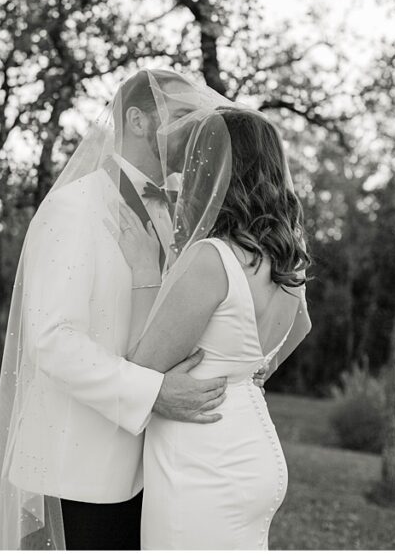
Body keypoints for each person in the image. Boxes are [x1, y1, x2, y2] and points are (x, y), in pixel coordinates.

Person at [0, 69, 238, 550]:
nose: (197, 127)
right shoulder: (75, 209)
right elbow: (52, 340)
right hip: (84, 467)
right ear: (138, 121)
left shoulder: (176, 215)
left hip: (155, 465)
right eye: (183, 115)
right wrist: (154, 392)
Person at [120, 107, 311, 549]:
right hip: (253, 448)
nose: (189, 171)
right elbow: (301, 325)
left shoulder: (212, 258)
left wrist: (145, 271)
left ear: (221, 168)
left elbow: (143, 370)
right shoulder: (286, 256)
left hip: (202, 460)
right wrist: (255, 367)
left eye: (198, 159)